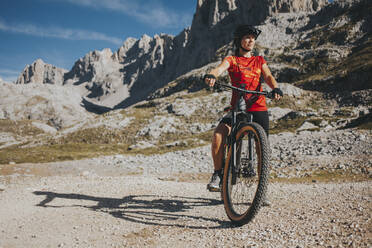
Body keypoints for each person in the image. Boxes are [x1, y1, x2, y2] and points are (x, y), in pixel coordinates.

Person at [203, 25, 283, 201]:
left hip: (258, 106)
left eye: (253, 38)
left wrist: (275, 87)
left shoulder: (259, 60)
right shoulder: (232, 59)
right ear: (239, 40)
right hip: (238, 107)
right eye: (247, 37)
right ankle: (218, 173)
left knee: (262, 147)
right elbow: (220, 68)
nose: (251, 40)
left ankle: (262, 191)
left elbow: (268, 76)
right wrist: (212, 75)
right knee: (218, 135)